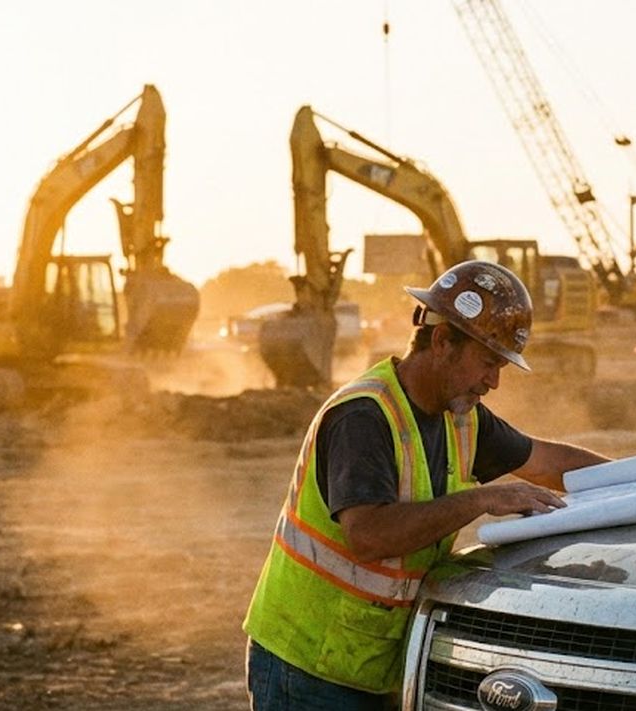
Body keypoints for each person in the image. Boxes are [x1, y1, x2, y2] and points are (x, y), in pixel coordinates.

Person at [242, 260, 609, 710]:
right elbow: (370, 535)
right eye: (488, 362)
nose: (493, 382)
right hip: (306, 666)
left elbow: (547, 461)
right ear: (441, 341)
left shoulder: (463, 418)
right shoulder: (364, 416)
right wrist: (483, 499)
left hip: (373, 661)